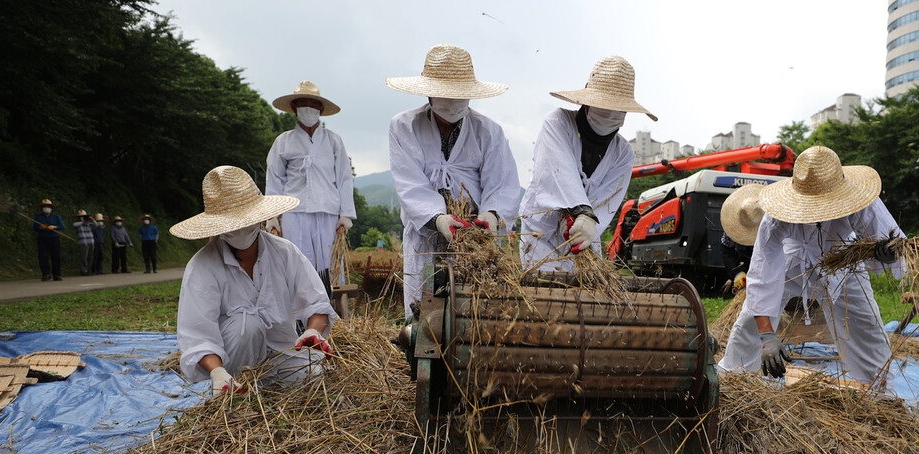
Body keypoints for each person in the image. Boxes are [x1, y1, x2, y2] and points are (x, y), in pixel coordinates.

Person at [717, 146, 904, 385]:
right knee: (749, 326)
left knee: (866, 326)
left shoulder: (862, 198)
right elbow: (763, 274)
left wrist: (887, 254)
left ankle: (879, 389)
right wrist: (767, 336)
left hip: (845, 265)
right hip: (791, 265)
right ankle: (735, 381)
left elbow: (892, 243)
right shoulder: (776, 214)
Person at [170, 165, 336, 396]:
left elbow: (316, 302)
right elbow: (197, 334)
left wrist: (313, 332)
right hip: (233, 358)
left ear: (260, 217)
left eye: (245, 220)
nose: (240, 229)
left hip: (281, 351)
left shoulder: (284, 252)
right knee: (246, 326)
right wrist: (218, 372)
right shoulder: (203, 266)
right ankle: (233, 392)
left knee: (314, 380)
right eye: (232, 224)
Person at [387, 44, 521, 317]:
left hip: (476, 244)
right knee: (426, 322)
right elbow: (409, 184)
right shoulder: (404, 127)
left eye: (460, 95)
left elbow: (503, 184)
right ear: (428, 93)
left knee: (474, 319)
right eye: (445, 95)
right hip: (426, 240)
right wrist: (438, 218)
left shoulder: (489, 132)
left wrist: (492, 215)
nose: (453, 101)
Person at [520, 56, 654, 271]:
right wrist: (580, 211)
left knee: (586, 297)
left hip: (586, 236)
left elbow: (609, 197)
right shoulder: (559, 123)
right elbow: (558, 171)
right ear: (587, 102)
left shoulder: (623, 152)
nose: (610, 113)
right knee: (544, 290)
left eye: (618, 108)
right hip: (541, 233)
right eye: (603, 105)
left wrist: (587, 222)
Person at [266, 81, 356, 292]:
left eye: (313, 104)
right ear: (294, 109)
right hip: (293, 211)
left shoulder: (334, 141)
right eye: (302, 103)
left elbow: (344, 177)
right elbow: (275, 178)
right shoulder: (283, 142)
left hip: (328, 211)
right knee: (296, 261)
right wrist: (272, 216)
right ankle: (299, 317)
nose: (308, 108)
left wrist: (346, 214)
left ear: (321, 110)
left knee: (331, 262)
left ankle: (334, 313)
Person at [718, 183, 766, 294]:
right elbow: (726, 249)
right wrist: (737, 272)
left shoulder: (773, 226)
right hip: (745, 265)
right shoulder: (732, 228)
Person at [32, 199, 65, 281]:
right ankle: (46, 274)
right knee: (43, 257)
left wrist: (54, 227)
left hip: (54, 238)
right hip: (43, 239)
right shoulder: (38, 217)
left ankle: (56, 274)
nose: (46, 208)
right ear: (42, 208)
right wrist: (41, 227)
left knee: (56, 256)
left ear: (51, 208)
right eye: (45, 207)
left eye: (48, 207)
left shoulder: (56, 217)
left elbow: (62, 226)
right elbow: (35, 228)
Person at [71, 210, 95, 276]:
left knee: (90, 257)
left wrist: (92, 219)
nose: (83, 217)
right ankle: (83, 270)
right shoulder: (78, 224)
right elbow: (74, 225)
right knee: (83, 258)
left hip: (91, 242)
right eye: (81, 216)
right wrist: (83, 222)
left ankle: (89, 270)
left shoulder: (90, 224)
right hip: (83, 242)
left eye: (84, 216)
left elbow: (97, 225)